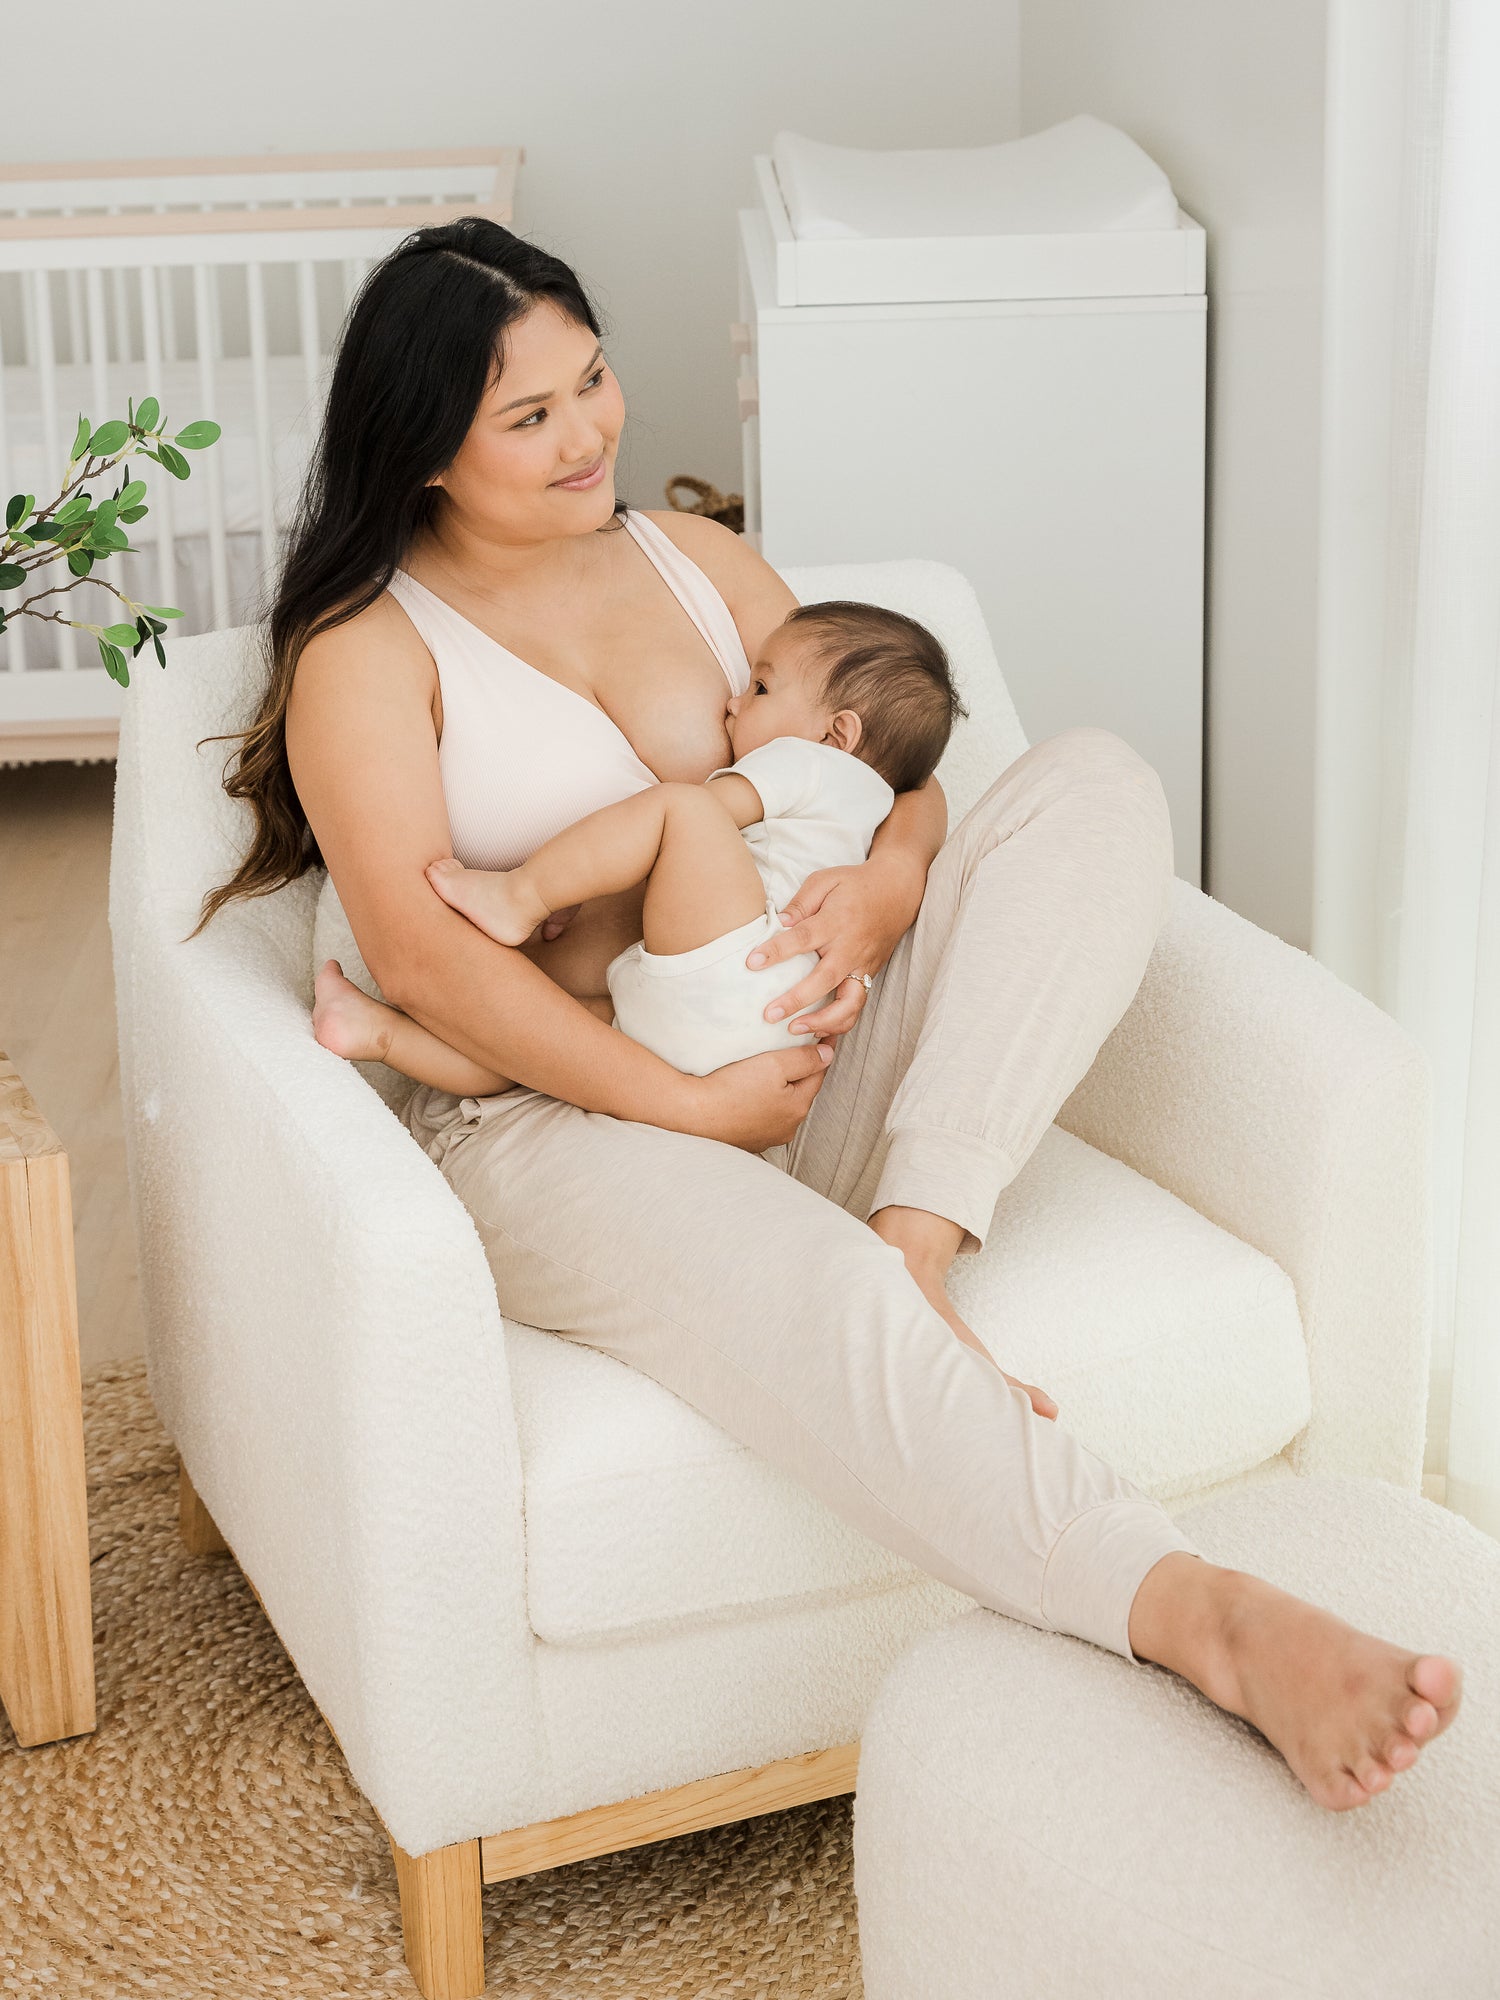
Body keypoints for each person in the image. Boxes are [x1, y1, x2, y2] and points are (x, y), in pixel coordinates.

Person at [196, 215, 1462, 1813]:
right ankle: (1202, 1618)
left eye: (593, 380)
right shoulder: (364, 650)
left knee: (1092, 785)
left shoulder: (698, 560)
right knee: (805, 1294)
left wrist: (891, 883)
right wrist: (692, 1113)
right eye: (530, 418)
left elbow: (879, 777)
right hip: (560, 1115)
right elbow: (434, 962)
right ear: (424, 447)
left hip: (804, 1045)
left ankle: (917, 1235)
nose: (590, 433)